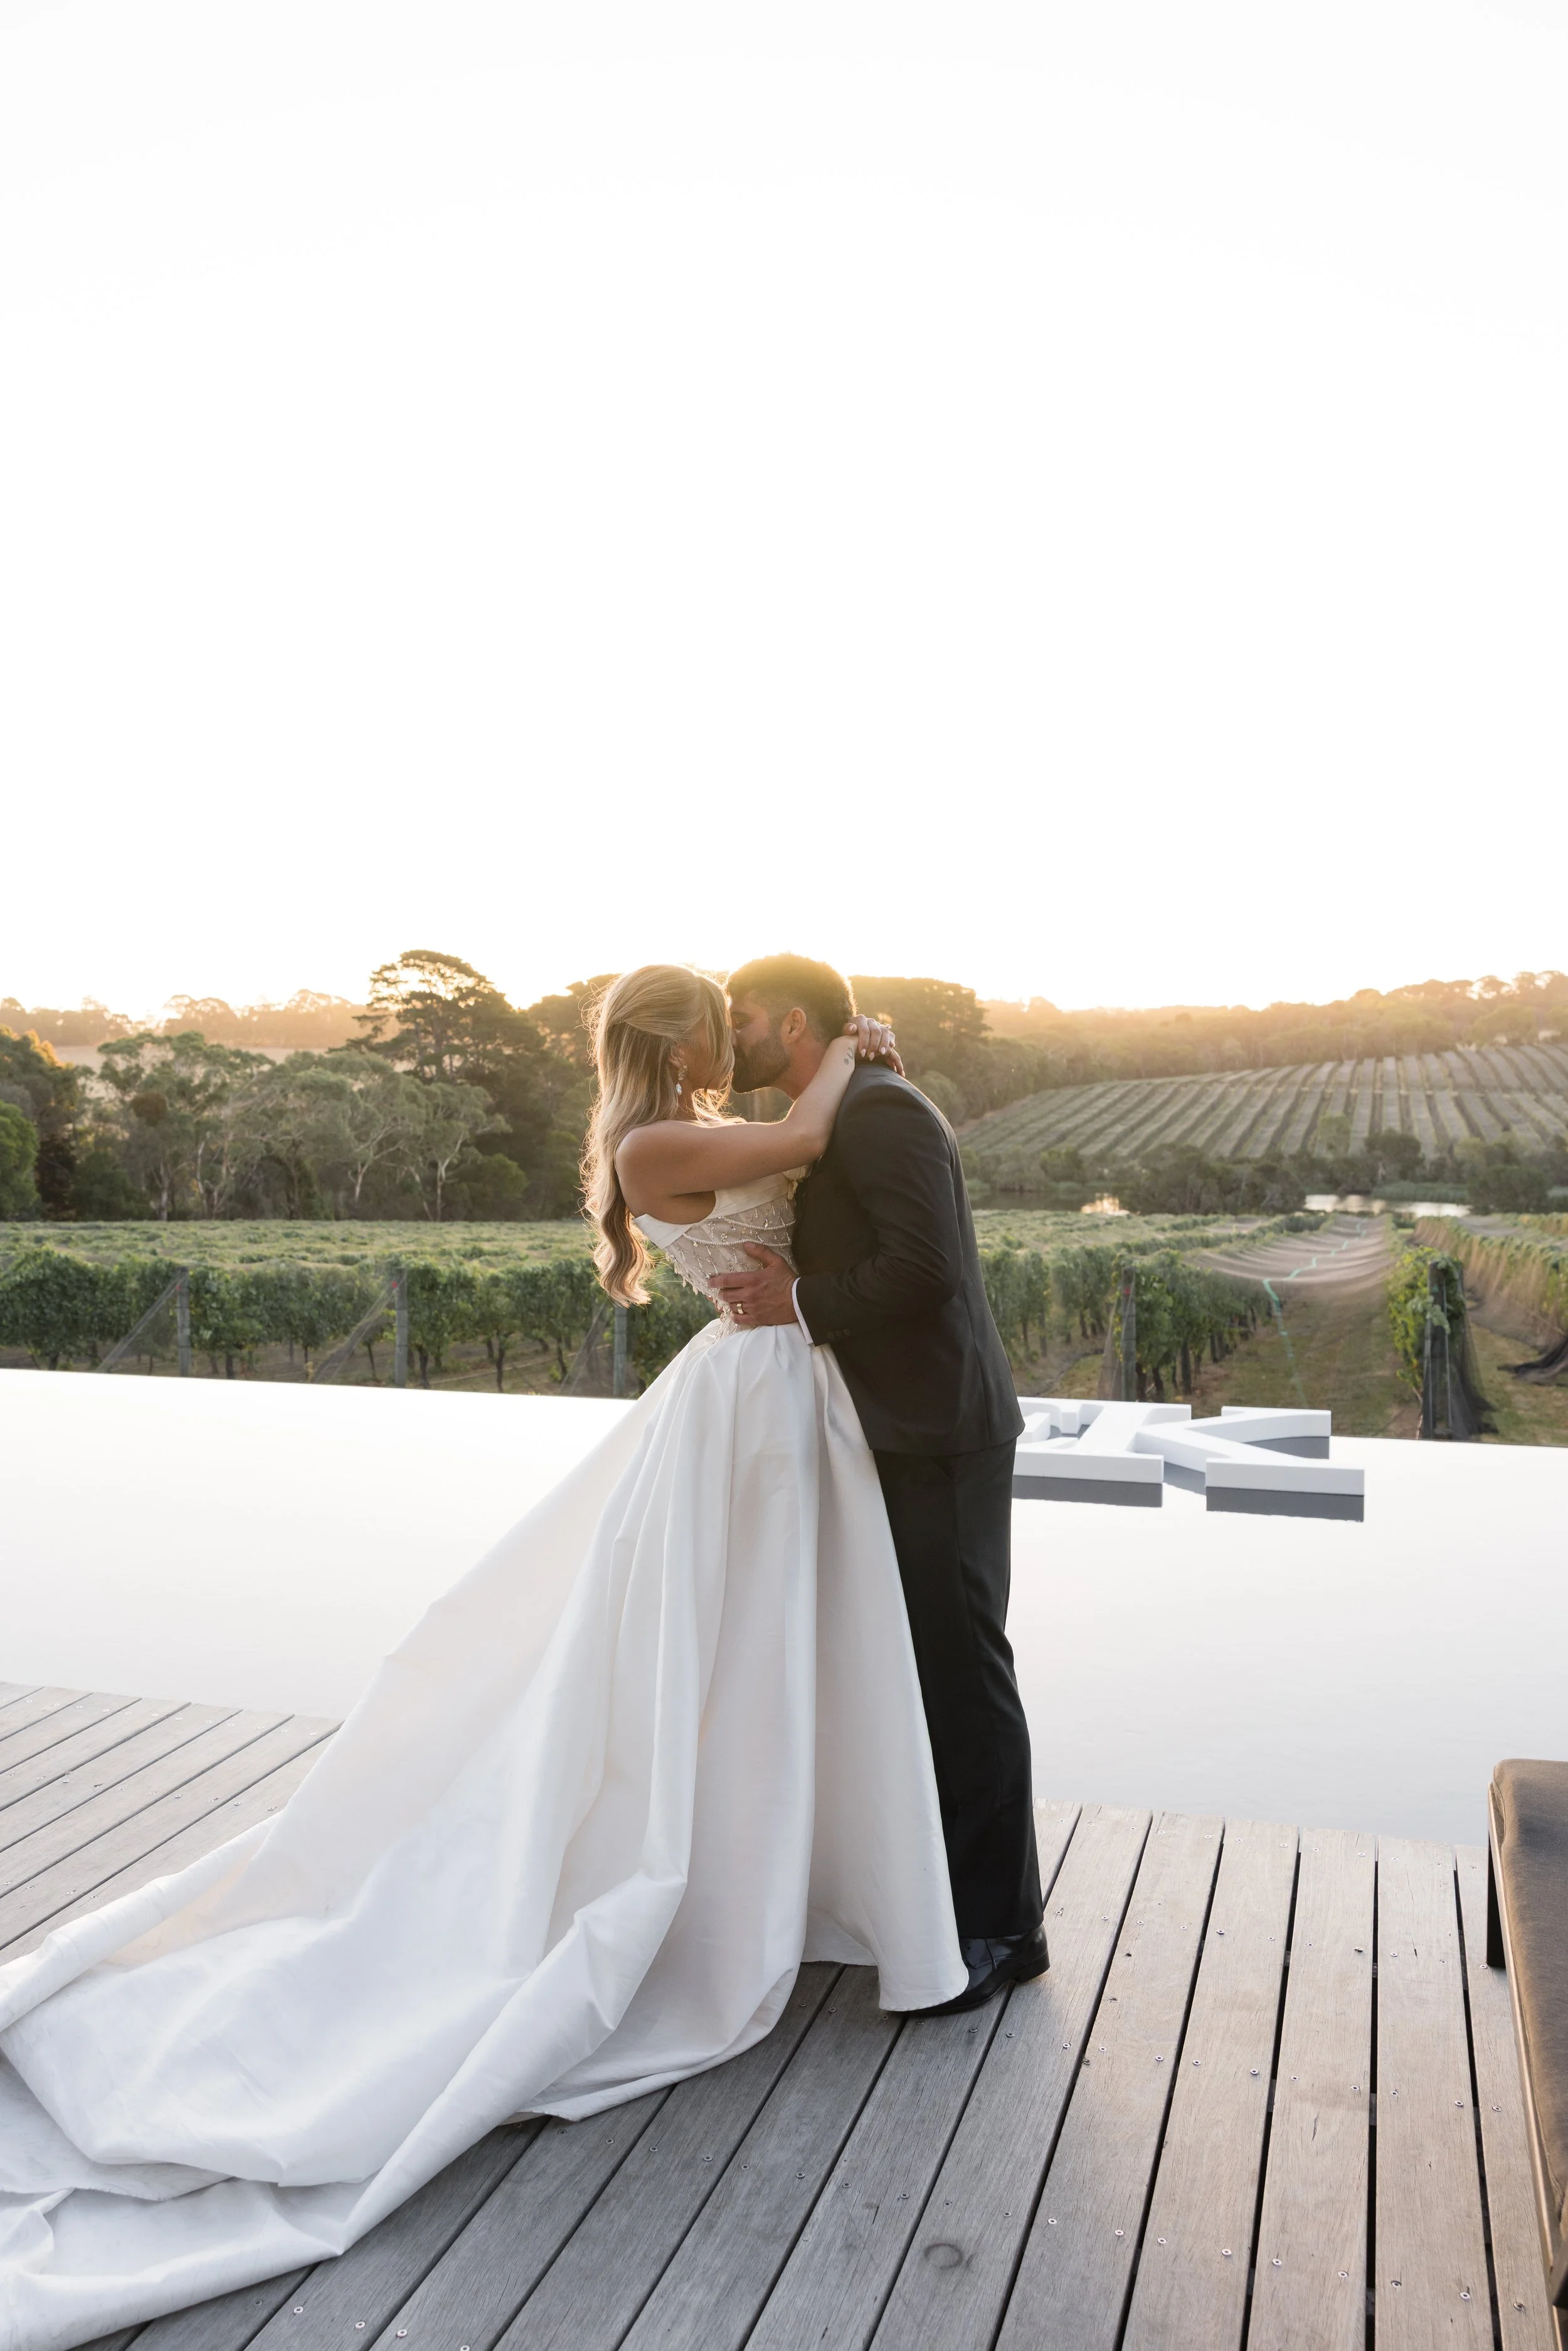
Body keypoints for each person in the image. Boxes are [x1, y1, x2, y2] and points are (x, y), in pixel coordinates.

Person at [0, 965, 972, 2351]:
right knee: (731, 1649)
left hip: (777, 1390)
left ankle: (788, 1857)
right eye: (716, 1015)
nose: (735, 1036)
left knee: (768, 1646)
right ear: (675, 1038)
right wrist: (858, 1044)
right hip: (752, 1399)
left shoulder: (672, 1129)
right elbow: (812, 1142)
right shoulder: (655, 1144)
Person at [717, 955, 1046, 2012]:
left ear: (796, 1024)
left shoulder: (880, 1112)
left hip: (939, 1430)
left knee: (962, 1673)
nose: (733, 1039)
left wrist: (798, 1301)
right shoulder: (843, 1103)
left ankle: (1004, 1927)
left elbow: (928, 1266)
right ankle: (936, 1903)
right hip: (896, 1428)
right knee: (920, 1674)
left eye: (744, 1021)